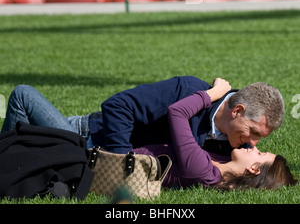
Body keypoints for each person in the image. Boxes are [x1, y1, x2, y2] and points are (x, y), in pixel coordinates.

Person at [1, 76, 285, 159]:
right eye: (254, 133)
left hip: (89, 152)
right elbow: (117, 106)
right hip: (83, 136)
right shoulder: (188, 91)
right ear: (238, 111)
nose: (253, 144)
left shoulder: (232, 144)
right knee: (24, 96)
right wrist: (121, 163)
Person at [132, 79, 297, 190]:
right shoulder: (223, 166)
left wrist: (214, 93)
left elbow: (177, 112)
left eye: (260, 153)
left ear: (253, 169)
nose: (253, 146)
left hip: (119, 161)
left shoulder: (201, 169)